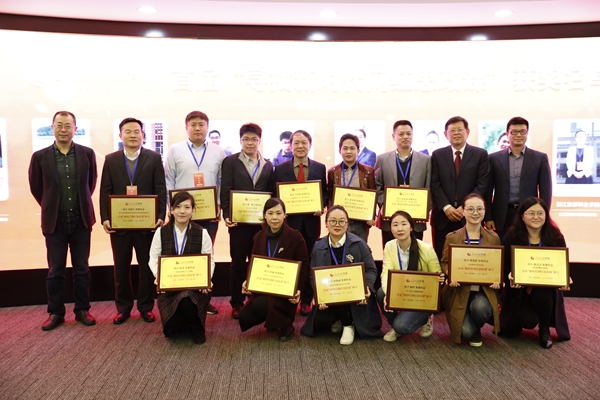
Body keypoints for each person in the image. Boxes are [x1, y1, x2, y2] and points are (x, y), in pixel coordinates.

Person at [28, 111, 97, 331]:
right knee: (55, 270)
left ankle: (82, 310)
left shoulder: (87, 154)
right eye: (59, 125)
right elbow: (37, 188)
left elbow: (90, 184)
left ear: (75, 129)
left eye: (68, 126)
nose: (63, 129)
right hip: (54, 222)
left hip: (81, 220)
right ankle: (56, 312)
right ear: (52, 128)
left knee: (82, 268)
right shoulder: (40, 156)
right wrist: (51, 206)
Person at [100, 117, 167, 325]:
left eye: (136, 131)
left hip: (146, 225)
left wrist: (160, 215)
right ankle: (123, 308)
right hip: (120, 225)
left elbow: (160, 188)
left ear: (143, 135)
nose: (132, 135)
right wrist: (105, 218)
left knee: (146, 268)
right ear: (120, 135)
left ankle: (146, 307)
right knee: (121, 268)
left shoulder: (154, 158)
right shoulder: (111, 159)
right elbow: (105, 190)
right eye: (127, 131)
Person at [164, 111, 225, 315]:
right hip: (182, 214)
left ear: (207, 127)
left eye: (201, 124)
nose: (197, 128)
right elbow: (168, 179)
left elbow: (221, 180)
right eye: (193, 124)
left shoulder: (218, 151)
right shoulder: (175, 150)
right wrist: (172, 207)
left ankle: (203, 299)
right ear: (186, 127)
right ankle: (182, 298)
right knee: (183, 254)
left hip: (209, 214)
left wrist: (218, 204)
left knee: (206, 255)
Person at [301, 206, 383, 345]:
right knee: (319, 321)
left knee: (345, 295)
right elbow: (312, 275)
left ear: (347, 223)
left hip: (354, 295)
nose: (337, 225)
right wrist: (318, 294)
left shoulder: (359, 244)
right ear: (326, 223)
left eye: (341, 221)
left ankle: (347, 325)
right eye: (333, 221)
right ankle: (342, 318)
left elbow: (371, 269)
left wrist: (367, 287)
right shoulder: (318, 246)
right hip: (331, 295)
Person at [500, 197, 572, 349]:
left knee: (542, 292)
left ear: (546, 215)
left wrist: (565, 277)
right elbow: (504, 264)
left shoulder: (556, 236)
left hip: (545, 290)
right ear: (522, 216)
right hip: (520, 291)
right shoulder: (511, 236)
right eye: (531, 213)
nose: (536, 217)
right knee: (527, 320)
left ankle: (544, 331)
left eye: (540, 213)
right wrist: (509, 275)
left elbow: (561, 263)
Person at [221, 123, 275, 319]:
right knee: (238, 263)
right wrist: (227, 214)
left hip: (260, 225)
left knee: (258, 262)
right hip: (239, 223)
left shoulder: (268, 165)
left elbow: (271, 193)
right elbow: (225, 189)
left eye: (254, 139)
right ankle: (237, 302)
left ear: (259, 141)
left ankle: (255, 299)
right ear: (240, 141)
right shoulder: (230, 162)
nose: (250, 143)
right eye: (246, 139)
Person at [239, 198, 310, 341]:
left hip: (286, 291)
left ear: (285, 215)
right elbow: (253, 263)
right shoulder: (259, 237)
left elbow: (304, 264)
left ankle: (286, 326)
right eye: (270, 213)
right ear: (264, 215)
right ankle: (273, 320)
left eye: (278, 213)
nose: (275, 217)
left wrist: (298, 289)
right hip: (265, 287)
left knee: (264, 303)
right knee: (245, 316)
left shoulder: (295, 236)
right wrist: (248, 281)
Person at [148, 191, 214, 344]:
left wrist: (207, 279)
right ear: (171, 210)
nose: (182, 211)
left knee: (186, 298)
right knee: (173, 327)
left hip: (194, 288)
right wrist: (160, 277)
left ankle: (197, 327)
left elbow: (210, 260)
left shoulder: (202, 233)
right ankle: (186, 323)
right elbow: (153, 259)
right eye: (178, 207)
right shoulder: (160, 232)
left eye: (187, 207)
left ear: (193, 211)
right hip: (169, 288)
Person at [274, 130, 327, 316]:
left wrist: (322, 206)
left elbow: (324, 193)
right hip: (290, 225)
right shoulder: (280, 169)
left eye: (304, 142)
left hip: (311, 224)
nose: (300, 146)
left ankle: (306, 300)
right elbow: (275, 196)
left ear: (310, 145)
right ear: (290, 146)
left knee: (310, 261)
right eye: (296, 143)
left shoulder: (320, 168)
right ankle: (288, 299)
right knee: (289, 262)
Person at [441, 193, 501, 347]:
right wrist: (450, 274)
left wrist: (497, 279)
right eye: (471, 209)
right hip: (459, 290)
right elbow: (445, 263)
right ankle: (469, 325)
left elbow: (497, 265)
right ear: (463, 211)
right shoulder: (452, 237)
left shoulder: (493, 238)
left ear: (485, 211)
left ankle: (477, 328)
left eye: (480, 209)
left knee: (481, 309)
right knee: (464, 333)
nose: (475, 213)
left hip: (482, 290)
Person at [377, 211, 444, 342]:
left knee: (402, 326)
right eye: (395, 225)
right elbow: (385, 274)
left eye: (404, 224)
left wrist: (438, 278)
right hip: (401, 291)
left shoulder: (425, 249)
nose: (400, 228)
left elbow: (436, 275)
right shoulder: (389, 246)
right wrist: (388, 294)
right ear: (390, 228)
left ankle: (425, 319)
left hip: (420, 296)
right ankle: (395, 328)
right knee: (381, 293)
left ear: (411, 227)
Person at [430, 116, 489, 259]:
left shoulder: (480, 155)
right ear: (446, 134)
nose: (456, 133)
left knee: (469, 258)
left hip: (470, 217)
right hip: (443, 217)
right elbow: (434, 183)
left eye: (460, 130)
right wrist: (446, 207)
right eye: (452, 130)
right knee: (441, 257)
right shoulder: (437, 155)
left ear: (467, 132)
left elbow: (482, 184)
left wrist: (466, 208)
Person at [486, 117, 552, 241]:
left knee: (526, 248)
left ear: (527, 133)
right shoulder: (493, 158)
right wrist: (488, 217)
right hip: (501, 215)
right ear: (507, 134)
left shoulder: (540, 158)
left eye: (522, 131)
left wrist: (544, 215)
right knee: (502, 248)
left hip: (529, 214)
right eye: (514, 132)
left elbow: (546, 190)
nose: (518, 135)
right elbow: (488, 189)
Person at [375, 120, 431, 247]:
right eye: (401, 134)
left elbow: (429, 188)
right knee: (391, 253)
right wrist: (384, 204)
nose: (405, 137)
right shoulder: (382, 159)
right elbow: (377, 185)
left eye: (408, 134)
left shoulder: (425, 160)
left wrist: (424, 209)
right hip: (390, 219)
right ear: (393, 136)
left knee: (415, 254)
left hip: (416, 220)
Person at [327, 133, 376, 242]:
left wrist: (371, 215)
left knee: (359, 249)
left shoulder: (368, 172)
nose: (348, 151)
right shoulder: (332, 172)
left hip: (360, 223)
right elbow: (330, 196)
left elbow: (372, 195)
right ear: (339, 151)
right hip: (339, 222)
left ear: (358, 150)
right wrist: (330, 217)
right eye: (345, 148)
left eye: (352, 148)